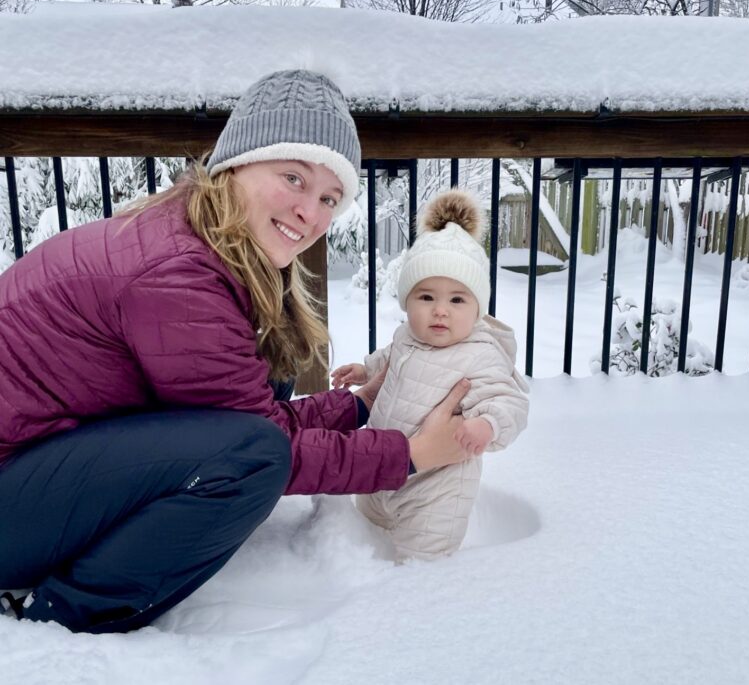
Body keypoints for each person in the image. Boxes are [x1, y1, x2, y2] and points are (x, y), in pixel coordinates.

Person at [0, 69, 471, 633]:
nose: (311, 213)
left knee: (264, 399)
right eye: (293, 178)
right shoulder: (180, 277)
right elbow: (266, 448)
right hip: (13, 495)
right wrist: (411, 454)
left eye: (329, 197)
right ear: (236, 163)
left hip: (36, 463)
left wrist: (358, 406)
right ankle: (60, 618)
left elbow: (246, 410)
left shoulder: (193, 238)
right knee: (253, 458)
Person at [331, 190, 529, 561]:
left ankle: (423, 602)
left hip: (437, 486)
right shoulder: (407, 336)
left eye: (457, 299)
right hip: (381, 472)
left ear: (477, 308)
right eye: (426, 298)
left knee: (424, 560)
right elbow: (390, 358)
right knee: (367, 533)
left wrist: (487, 425)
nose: (440, 311)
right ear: (407, 302)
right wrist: (365, 369)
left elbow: (509, 401)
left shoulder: (481, 354)